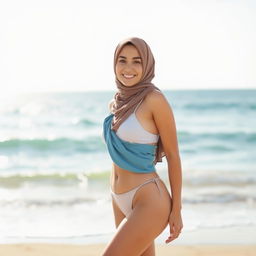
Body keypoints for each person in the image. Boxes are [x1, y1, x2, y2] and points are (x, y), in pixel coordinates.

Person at [102, 37, 183, 256]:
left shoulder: (154, 100)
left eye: (137, 61)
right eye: (122, 60)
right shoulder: (118, 101)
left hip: (148, 200)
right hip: (118, 198)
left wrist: (176, 210)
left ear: (146, 64)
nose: (128, 68)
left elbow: (174, 156)